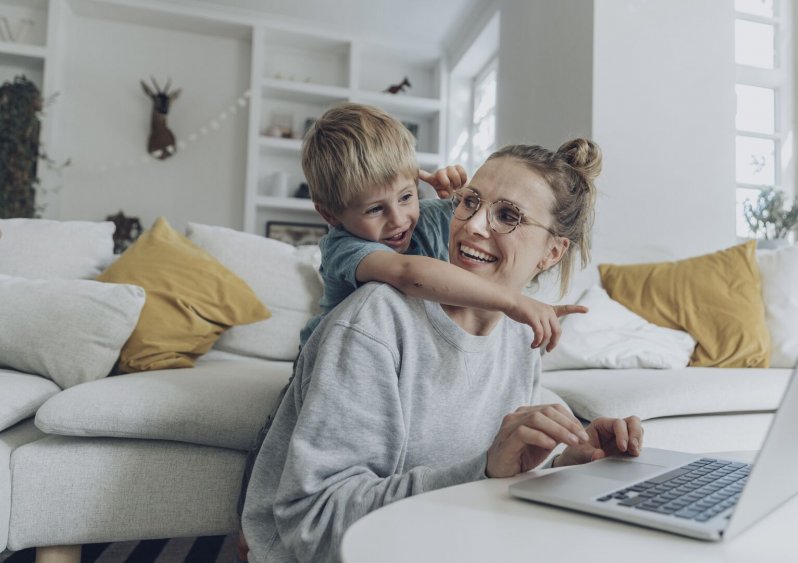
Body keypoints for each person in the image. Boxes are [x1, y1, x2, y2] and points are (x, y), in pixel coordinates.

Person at [242, 138, 644, 562]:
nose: (472, 225)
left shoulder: (518, 338)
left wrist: (570, 465)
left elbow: (496, 478)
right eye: (470, 201)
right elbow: (313, 523)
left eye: (507, 215)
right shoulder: (373, 322)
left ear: (552, 253)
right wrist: (483, 470)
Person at [299, 102, 584, 351]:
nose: (399, 219)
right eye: (375, 209)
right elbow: (407, 273)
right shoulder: (344, 246)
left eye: (406, 197)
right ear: (330, 215)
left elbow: (480, 216)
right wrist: (511, 301)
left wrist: (458, 196)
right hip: (335, 362)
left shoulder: (428, 216)